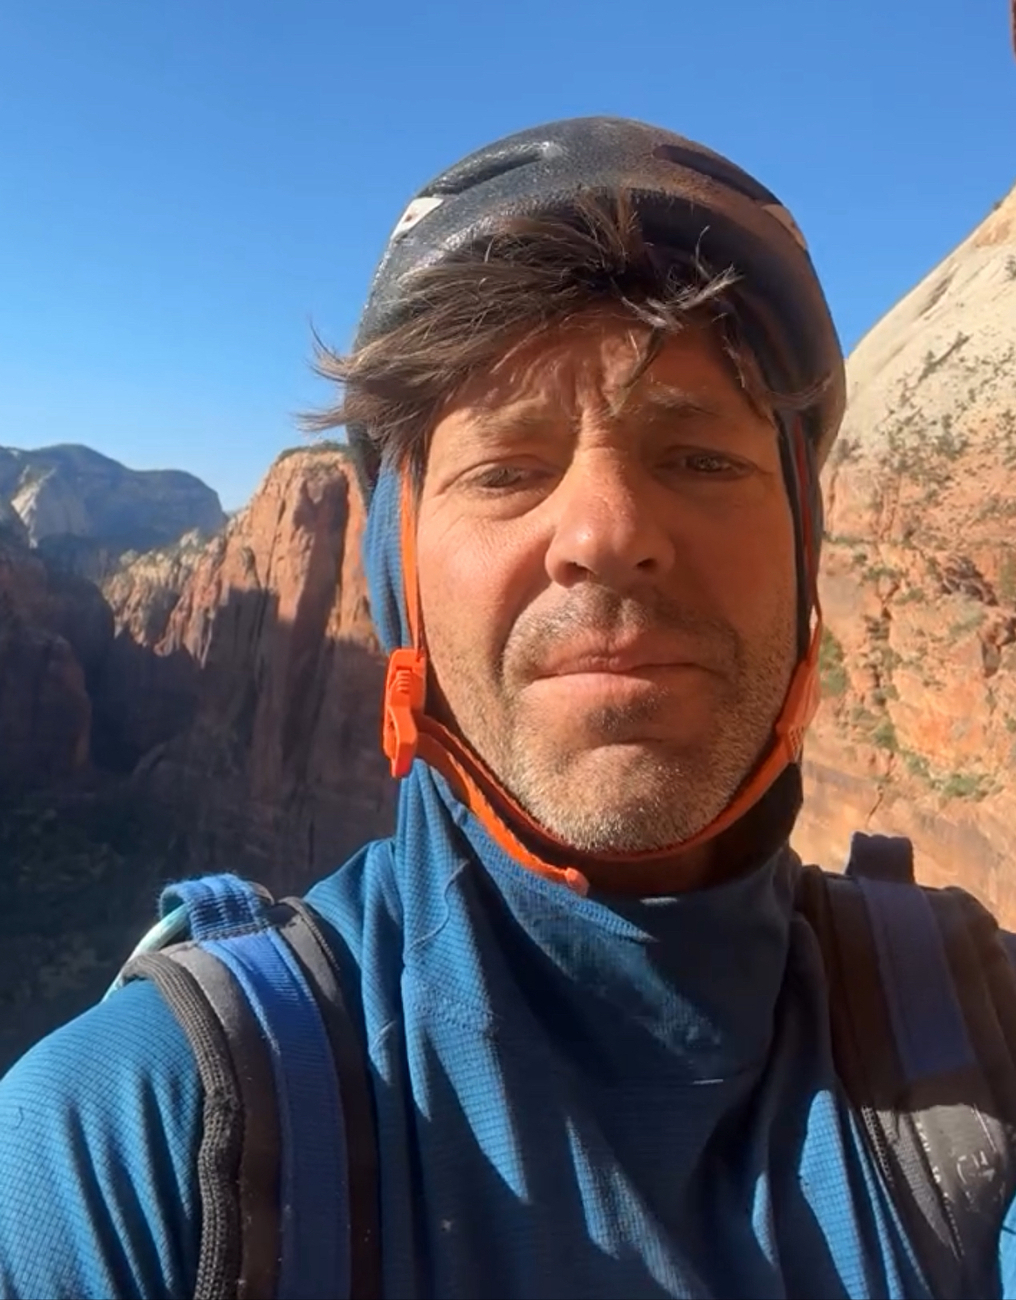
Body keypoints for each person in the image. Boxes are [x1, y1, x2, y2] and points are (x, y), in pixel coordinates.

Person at [2, 115, 1016, 1300]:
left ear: (803, 549)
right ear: (397, 577)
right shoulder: (131, 1150)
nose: (606, 535)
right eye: (508, 468)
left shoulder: (982, 1042)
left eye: (699, 458)